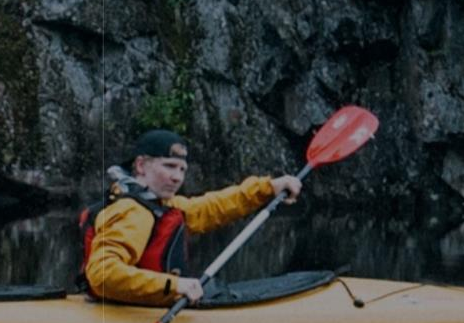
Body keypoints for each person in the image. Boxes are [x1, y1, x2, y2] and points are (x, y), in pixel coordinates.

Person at [79, 128, 301, 307]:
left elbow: (211, 208)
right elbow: (103, 275)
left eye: (182, 169)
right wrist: (174, 286)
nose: (177, 177)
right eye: (169, 166)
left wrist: (268, 188)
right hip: (130, 313)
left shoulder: (159, 205)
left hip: (145, 305)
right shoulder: (132, 211)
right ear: (140, 165)